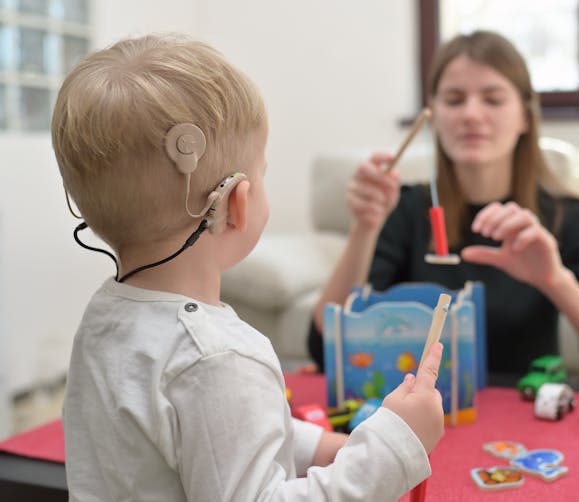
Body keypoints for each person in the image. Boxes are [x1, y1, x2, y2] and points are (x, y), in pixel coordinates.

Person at [53, 34, 444, 501]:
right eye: (262, 172)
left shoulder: (105, 317)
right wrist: (393, 447)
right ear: (236, 203)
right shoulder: (216, 358)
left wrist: (319, 445)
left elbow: (217, 434)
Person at [308, 30, 579, 375]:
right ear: (435, 115)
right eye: (455, 100)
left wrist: (555, 280)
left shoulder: (572, 217)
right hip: (424, 414)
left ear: (525, 115)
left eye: (492, 99)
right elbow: (327, 347)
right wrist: (364, 227)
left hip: (526, 416)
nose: (471, 115)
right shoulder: (403, 208)